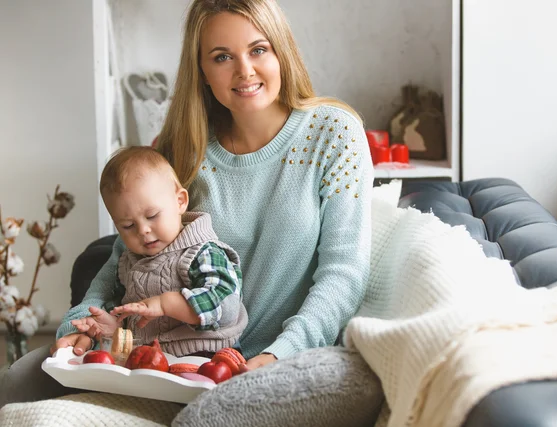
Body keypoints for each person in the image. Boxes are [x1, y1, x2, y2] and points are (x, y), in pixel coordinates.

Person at [0, 0, 373, 406]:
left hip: (280, 360)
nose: (244, 70)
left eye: (258, 49)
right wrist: (77, 325)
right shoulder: (180, 148)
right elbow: (121, 263)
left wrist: (279, 354)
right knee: (18, 381)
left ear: (281, 50)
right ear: (202, 71)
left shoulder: (335, 134)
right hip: (166, 364)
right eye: (222, 56)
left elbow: (344, 272)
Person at [66, 146, 247, 357]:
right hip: (150, 360)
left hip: (206, 355)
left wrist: (166, 304)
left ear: (180, 202)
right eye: (127, 226)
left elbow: (227, 306)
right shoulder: (128, 263)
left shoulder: (202, 252)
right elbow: (127, 312)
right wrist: (113, 327)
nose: (143, 230)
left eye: (152, 215)